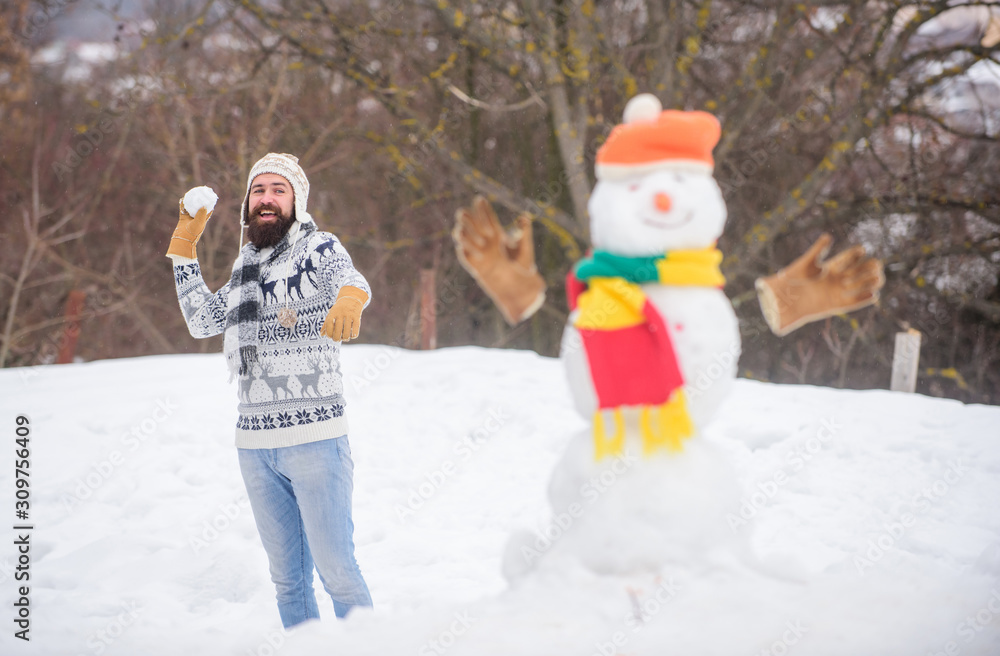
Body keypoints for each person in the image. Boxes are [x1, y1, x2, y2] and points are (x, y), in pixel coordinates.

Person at [166, 152, 373, 628]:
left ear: (296, 201)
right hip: (256, 447)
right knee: (288, 583)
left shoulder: (319, 248)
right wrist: (183, 250)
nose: (267, 199)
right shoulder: (245, 267)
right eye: (258, 191)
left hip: (316, 440)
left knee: (337, 572)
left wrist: (350, 299)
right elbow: (202, 321)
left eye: (278, 190)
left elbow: (351, 278)